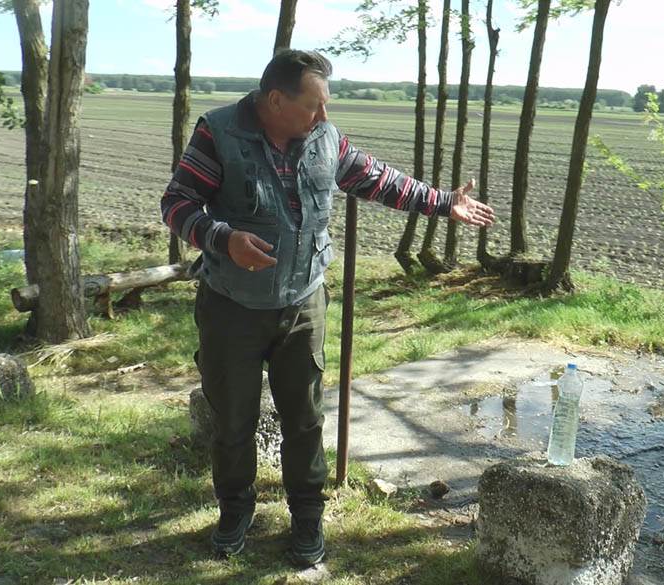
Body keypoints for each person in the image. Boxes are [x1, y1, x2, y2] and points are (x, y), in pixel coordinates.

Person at [160, 49, 494, 567]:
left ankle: (307, 518)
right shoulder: (218, 131)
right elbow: (177, 202)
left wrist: (441, 201)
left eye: (326, 106)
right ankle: (234, 510)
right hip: (231, 307)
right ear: (275, 99)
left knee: (305, 417)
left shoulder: (325, 139)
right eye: (314, 106)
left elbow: (378, 178)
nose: (323, 116)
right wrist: (222, 239)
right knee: (233, 419)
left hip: (303, 303)